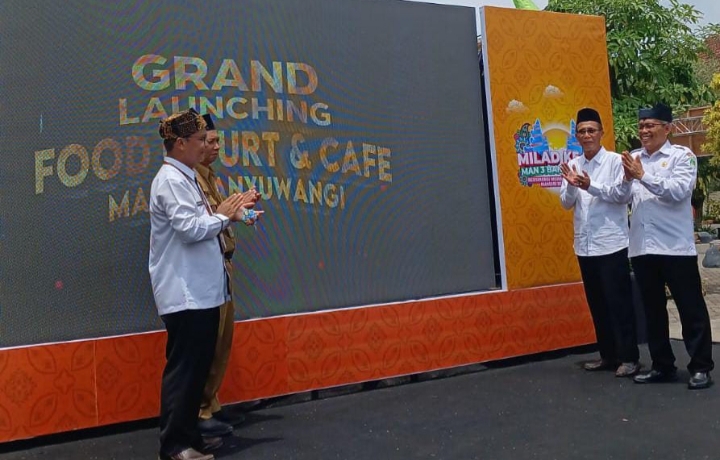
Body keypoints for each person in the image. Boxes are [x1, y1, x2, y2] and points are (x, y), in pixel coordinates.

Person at [149, 109, 258, 460]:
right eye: (200, 140)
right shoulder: (171, 180)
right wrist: (224, 214)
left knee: (196, 371)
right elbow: (190, 229)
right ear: (180, 143)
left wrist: (233, 213)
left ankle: (190, 437)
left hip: (202, 292)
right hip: (185, 294)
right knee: (184, 372)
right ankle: (175, 445)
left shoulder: (187, 177)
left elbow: (202, 220)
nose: (206, 146)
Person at [621, 103, 714, 390]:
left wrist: (642, 176)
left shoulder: (682, 156)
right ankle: (662, 365)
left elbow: (679, 191)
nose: (644, 131)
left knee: (690, 308)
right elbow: (621, 197)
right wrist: (620, 180)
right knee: (652, 311)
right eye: (641, 126)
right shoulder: (634, 158)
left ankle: (700, 367)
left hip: (675, 247)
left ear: (667, 128)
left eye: (650, 125)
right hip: (642, 247)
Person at [560, 107, 640, 377]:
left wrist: (589, 185)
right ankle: (608, 355)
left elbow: (622, 196)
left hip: (611, 243)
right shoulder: (573, 163)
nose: (587, 135)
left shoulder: (616, 162)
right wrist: (572, 185)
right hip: (585, 245)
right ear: (576, 136)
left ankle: (629, 358)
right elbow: (566, 203)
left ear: (601, 133)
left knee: (619, 303)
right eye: (582, 131)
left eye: (591, 130)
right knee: (597, 304)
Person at [195, 113, 260, 437]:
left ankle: (212, 404)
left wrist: (244, 210)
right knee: (207, 342)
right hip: (205, 271)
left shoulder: (210, 177)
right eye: (211, 141)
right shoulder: (189, 181)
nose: (217, 146)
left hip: (222, 266)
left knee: (222, 341)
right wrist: (231, 212)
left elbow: (223, 216)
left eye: (217, 140)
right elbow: (204, 223)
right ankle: (200, 410)